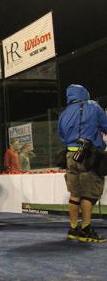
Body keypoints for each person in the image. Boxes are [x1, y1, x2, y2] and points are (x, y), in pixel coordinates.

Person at [58, 84, 107, 243]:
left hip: (70, 155)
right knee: (89, 193)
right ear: (84, 93)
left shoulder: (64, 113)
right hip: (89, 155)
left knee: (75, 193)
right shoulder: (92, 106)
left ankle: (73, 228)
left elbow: (62, 135)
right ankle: (86, 229)